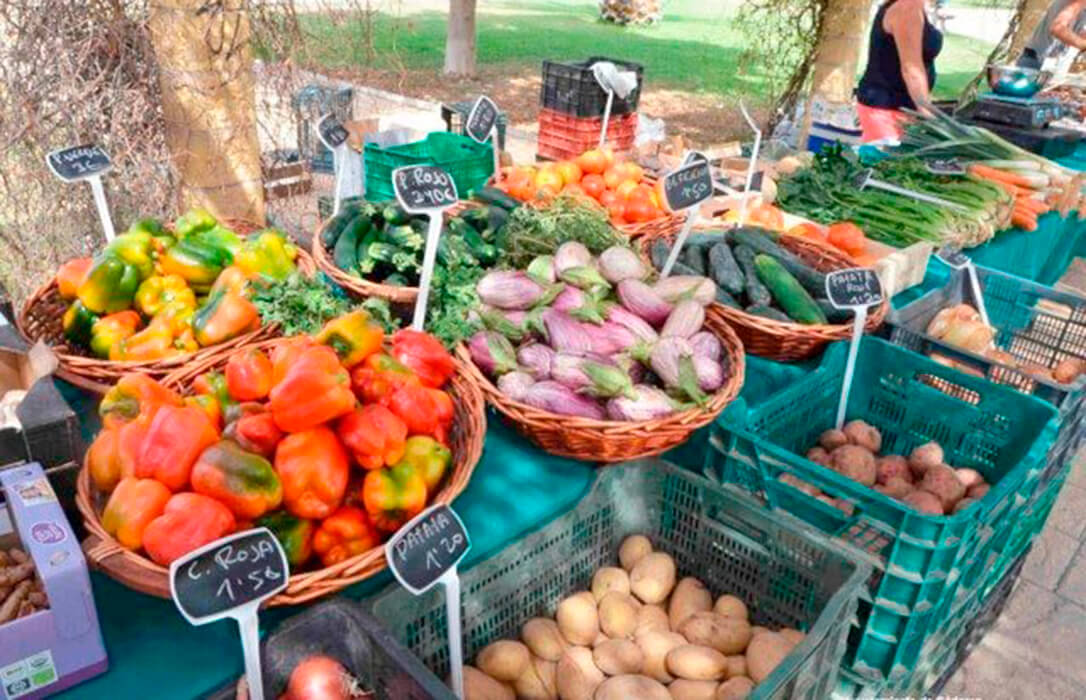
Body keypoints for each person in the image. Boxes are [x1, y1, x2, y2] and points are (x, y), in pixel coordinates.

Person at [855, 0, 944, 143]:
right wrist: (929, 115)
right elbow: (911, 68)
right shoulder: (908, 6)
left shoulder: (915, 6)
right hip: (887, 109)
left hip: (899, 107)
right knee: (887, 163)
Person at [1018, 0, 1086, 70]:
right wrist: (1082, 44)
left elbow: (1077, 33)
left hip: (1051, 63)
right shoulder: (1078, 3)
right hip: (1034, 59)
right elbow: (1057, 29)